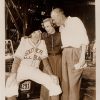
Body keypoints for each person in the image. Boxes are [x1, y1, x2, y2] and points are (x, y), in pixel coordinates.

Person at [6, 29, 62, 100]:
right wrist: (13, 74)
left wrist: (51, 74)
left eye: (39, 32)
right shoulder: (24, 41)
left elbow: (45, 62)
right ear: (30, 34)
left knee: (54, 83)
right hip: (23, 69)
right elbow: (17, 60)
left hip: (35, 70)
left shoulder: (42, 43)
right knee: (10, 83)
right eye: (34, 32)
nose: (37, 34)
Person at [51, 8, 89, 100]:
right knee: (65, 84)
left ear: (60, 15)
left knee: (73, 84)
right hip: (65, 54)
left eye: (54, 19)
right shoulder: (61, 28)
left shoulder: (75, 21)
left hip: (75, 53)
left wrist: (82, 58)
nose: (53, 22)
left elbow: (84, 40)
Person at [40, 18, 62, 100]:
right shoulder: (43, 35)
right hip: (47, 60)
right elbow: (32, 37)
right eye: (45, 27)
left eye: (48, 26)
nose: (46, 28)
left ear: (53, 25)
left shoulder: (60, 35)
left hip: (59, 59)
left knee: (57, 79)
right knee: (46, 79)